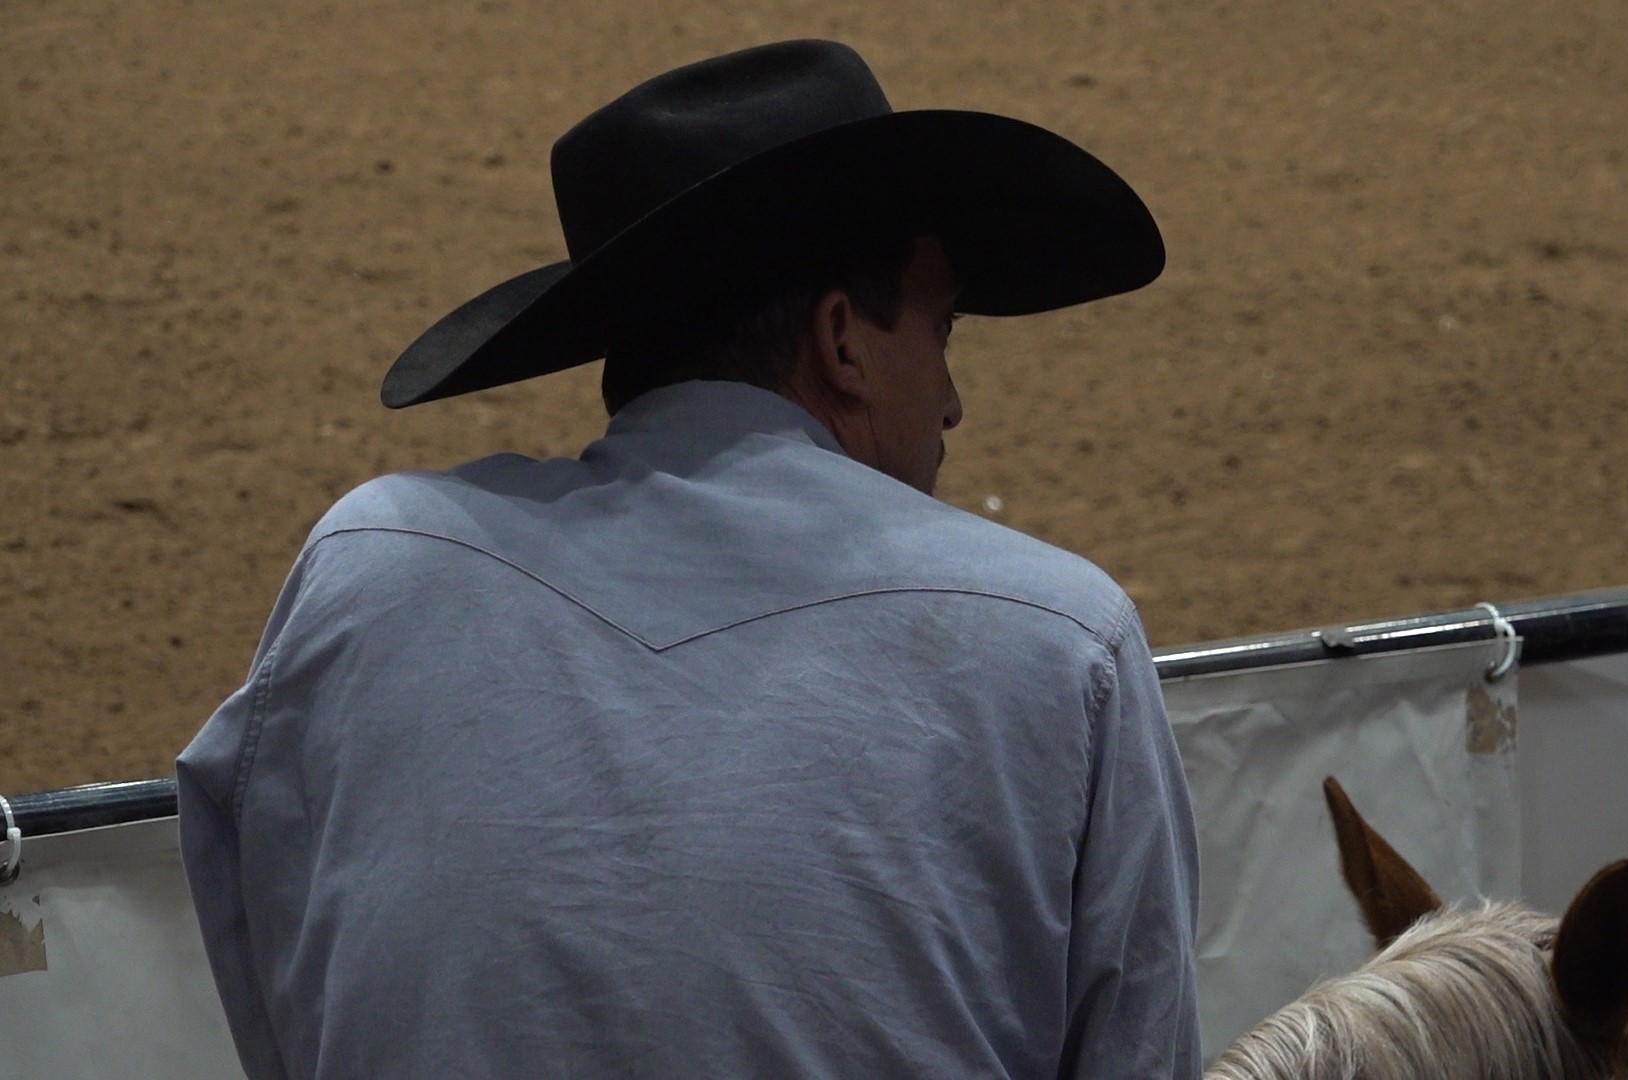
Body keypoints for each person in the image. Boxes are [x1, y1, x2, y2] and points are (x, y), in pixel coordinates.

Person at [178, 39, 1199, 1079]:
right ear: (842, 341)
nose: (951, 400)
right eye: (941, 331)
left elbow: (275, 956)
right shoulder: (1062, 642)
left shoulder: (369, 567)